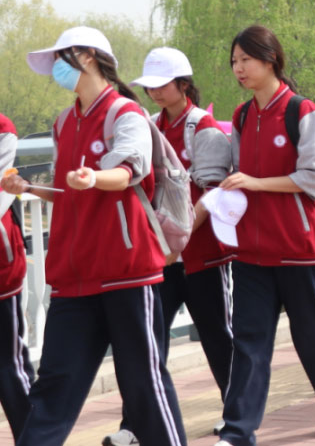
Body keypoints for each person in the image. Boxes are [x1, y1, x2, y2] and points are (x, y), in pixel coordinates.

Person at [1, 27, 186, 446]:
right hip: (73, 277)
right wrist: (28, 188)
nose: (55, 70)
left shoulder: (126, 113)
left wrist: (95, 177)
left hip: (126, 271)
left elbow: (130, 171)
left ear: (87, 56)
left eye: (60, 59)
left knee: (143, 384)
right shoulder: (65, 121)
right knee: (53, 390)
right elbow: (69, 190)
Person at [213, 25, 315, 444]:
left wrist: (256, 183)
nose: (239, 68)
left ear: (270, 60)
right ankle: (238, 430)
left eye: (246, 59)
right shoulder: (242, 116)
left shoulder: (301, 111)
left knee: (311, 334)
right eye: (235, 61)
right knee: (249, 341)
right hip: (252, 251)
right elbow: (235, 174)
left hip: (299, 246)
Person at [106, 47, 234, 446]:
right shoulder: (147, 125)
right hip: (162, 258)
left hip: (203, 255)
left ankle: (237, 414)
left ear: (183, 84)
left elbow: (214, 192)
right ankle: (135, 424)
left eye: (163, 85)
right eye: (150, 86)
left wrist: (181, 238)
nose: (155, 92)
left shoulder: (204, 128)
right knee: (147, 343)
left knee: (217, 336)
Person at [0, 113, 32, 441]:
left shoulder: (2, 129)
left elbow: (3, 190)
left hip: (1, 268)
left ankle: (33, 438)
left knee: (8, 365)